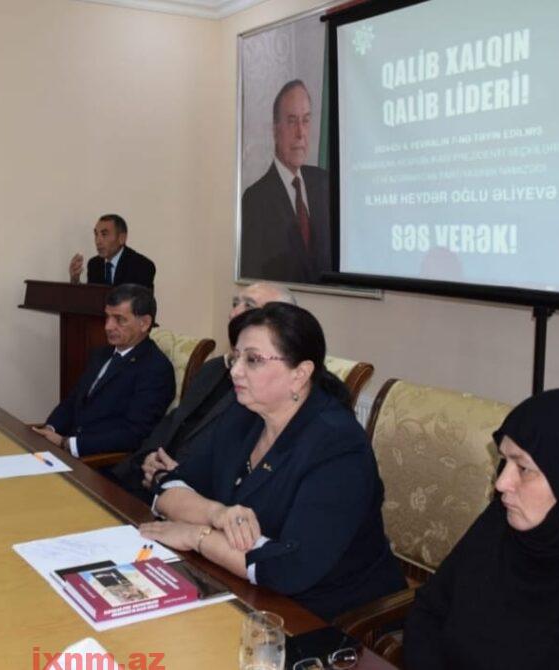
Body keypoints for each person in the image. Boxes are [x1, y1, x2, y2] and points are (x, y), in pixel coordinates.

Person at [140, 303, 404, 620]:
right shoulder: (243, 414)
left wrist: (197, 535)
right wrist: (216, 513)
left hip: (327, 613)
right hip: (241, 585)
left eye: (252, 360)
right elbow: (169, 485)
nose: (235, 371)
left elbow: (289, 567)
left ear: (300, 374)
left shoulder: (337, 444)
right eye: (235, 357)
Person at [404, 389, 559, 669]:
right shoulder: (501, 520)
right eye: (505, 460)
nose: (501, 483)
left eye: (523, 468)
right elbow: (429, 610)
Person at [110, 282, 296, 501]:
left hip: (192, 497)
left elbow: (234, 462)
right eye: (235, 304)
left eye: (248, 306)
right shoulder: (213, 368)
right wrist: (148, 458)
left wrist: (174, 477)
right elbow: (175, 420)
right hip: (146, 481)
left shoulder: (270, 392)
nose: (233, 314)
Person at [32, 284, 174, 458]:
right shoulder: (101, 354)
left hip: (101, 462)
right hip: (66, 450)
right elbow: (73, 401)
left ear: (144, 323)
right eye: (107, 317)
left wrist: (67, 444)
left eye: (119, 319)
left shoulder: (155, 368)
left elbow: (134, 434)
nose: (108, 326)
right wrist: (50, 428)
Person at [240, 80, 331, 284]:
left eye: (305, 120)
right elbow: (254, 282)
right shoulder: (255, 201)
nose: (300, 133)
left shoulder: (325, 185)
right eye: (291, 121)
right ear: (275, 130)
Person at [69, 214, 156, 289]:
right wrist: (75, 281)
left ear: (122, 238)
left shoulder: (142, 266)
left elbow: (142, 302)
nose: (98, 241)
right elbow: (91, 298)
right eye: (96, 234)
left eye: (104, 234)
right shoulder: (94, 264)